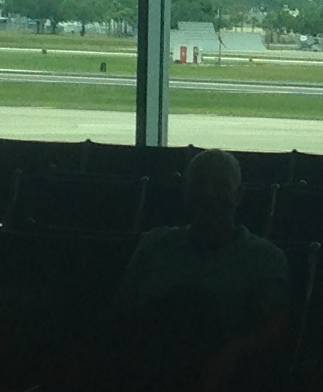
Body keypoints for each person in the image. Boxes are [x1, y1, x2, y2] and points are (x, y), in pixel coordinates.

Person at [106, 148, 290, 391]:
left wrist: (231, 354)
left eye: (221, 186)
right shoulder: (153, 244)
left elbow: (274, 328)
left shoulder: (265, 258)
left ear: (238, 196)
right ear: (185, 191)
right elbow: (120, 313)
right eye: (199, 184)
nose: (208, 193)